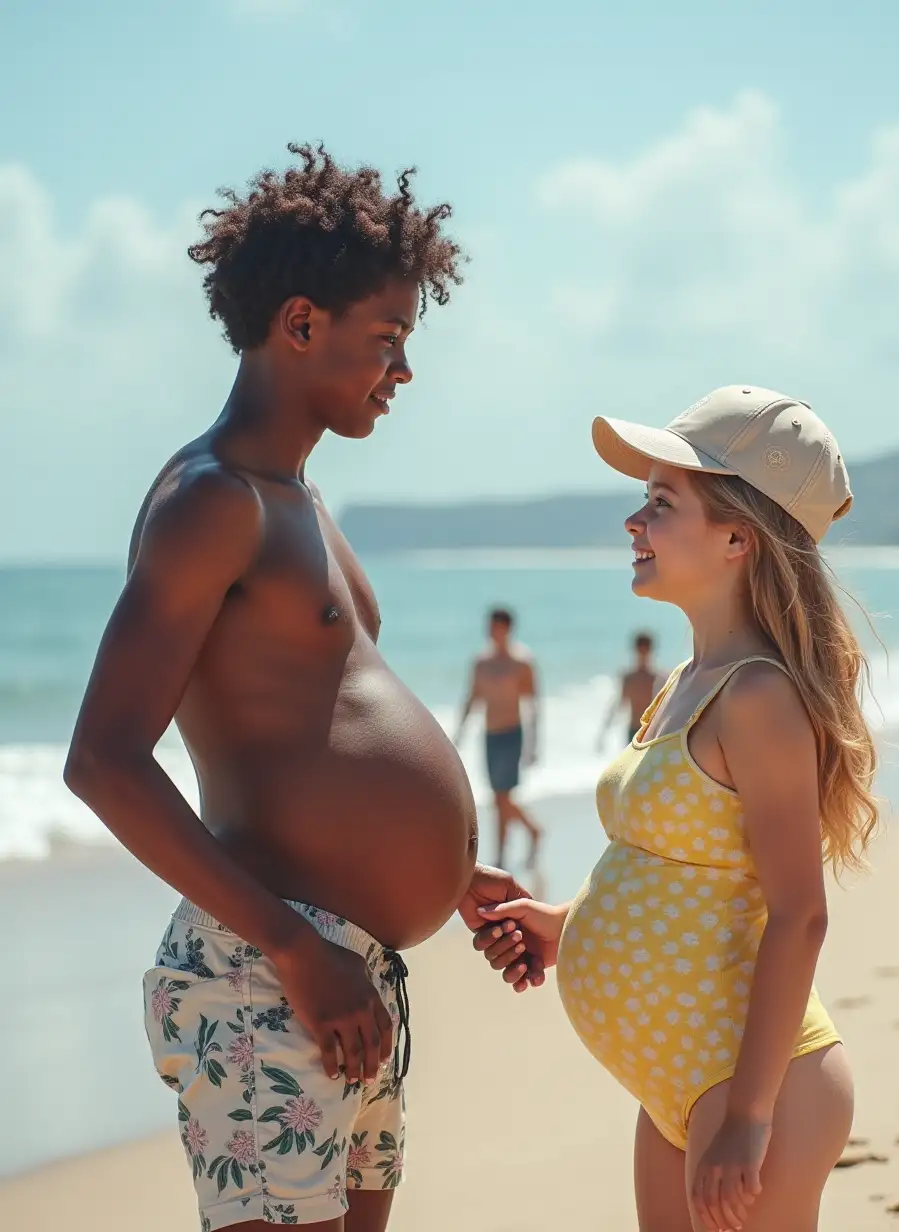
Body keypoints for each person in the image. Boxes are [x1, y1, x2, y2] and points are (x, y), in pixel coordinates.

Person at [64, 143, 538, 1232]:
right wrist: (291, 944)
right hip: (264, 974)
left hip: (346, 972)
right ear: (299, 323)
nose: (402, 370)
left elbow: (317, 727)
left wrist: (448, 870)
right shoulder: (211, 501)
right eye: (389, 339)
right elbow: (101, 759)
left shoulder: (300, 500)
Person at [473, 386, 877, 1232]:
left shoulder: (757, 695)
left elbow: (800, 916)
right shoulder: (683, 688)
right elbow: (679, 864)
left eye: (661, 502)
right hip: (685, 1087)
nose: (634, 523)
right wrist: (567, 922)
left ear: (738, 536)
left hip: (754, 1086)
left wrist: (750, 1118)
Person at [456, 607, 543, 870]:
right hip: (489, 735)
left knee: (502, 797)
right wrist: (460, 730)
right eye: (489, 626)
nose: (492, 631)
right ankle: (530, 832)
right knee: (497, 797)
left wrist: (533, 744)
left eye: (497, 626)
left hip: (511, 734)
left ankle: (503, 855)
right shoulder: (480, 662)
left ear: (507, 628)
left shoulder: (522, 662)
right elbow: (472, 697)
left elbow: (533, 705)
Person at [597, 630, 665, 751]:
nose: (643, 653)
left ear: (650, 650)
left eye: (646, 649)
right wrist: (604, 731)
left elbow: (665, 709)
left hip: (651, 733)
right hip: (633, 733)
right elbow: (618, 705)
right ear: (636, 650)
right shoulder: (629, 678)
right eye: (641, 649)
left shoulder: (657, 678)